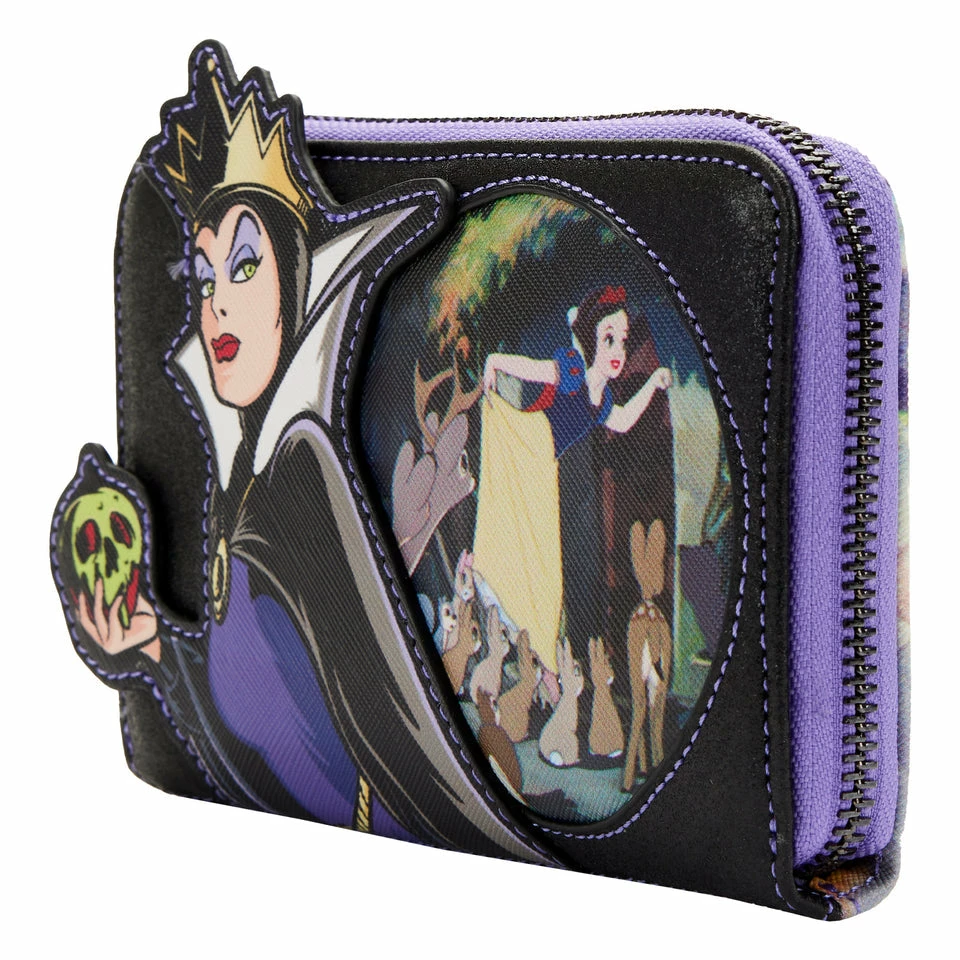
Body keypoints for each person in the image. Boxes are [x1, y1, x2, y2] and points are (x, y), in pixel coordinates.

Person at [473, 285, 672, 684]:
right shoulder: (573, 369)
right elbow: (534, 369)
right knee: (539, 559)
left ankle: (551, 660)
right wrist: (495, 362)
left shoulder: (602, 396)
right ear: (590, 340)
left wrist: (651, 384)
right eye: (609, 338)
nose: (618, 350)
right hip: (534, 457)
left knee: (558, 568)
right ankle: (534, 652)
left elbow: (621, 421)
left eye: (623, 340)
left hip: (554, 473)